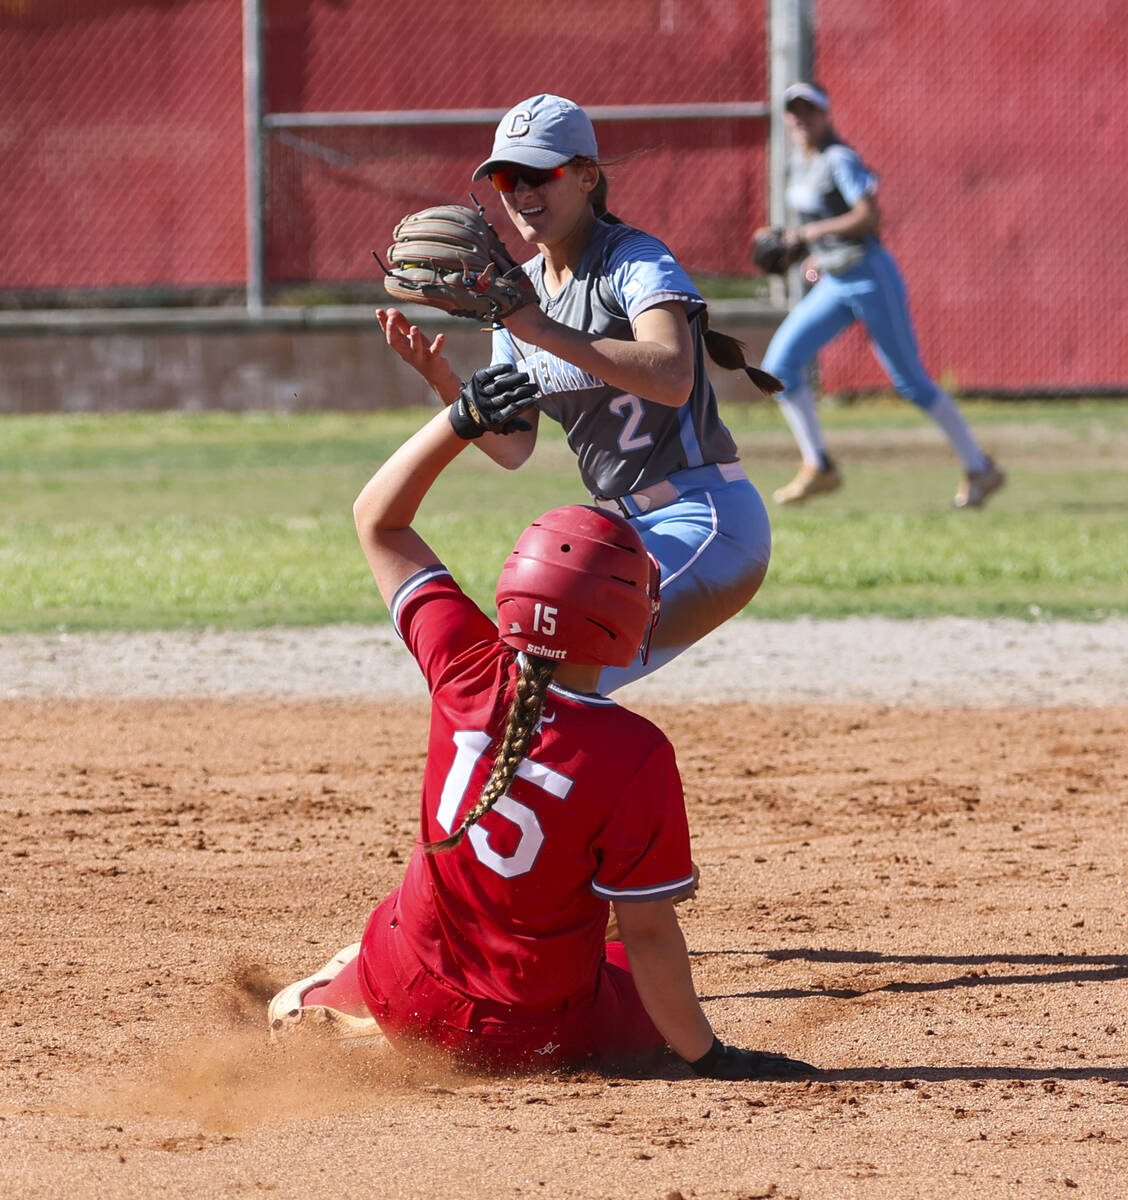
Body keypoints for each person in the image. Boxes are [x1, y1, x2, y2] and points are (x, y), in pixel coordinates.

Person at [266, 366, 817, 1082]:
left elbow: (379, 518)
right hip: (524, 1035)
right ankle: (376, 1017)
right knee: (631, 931)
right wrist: (709, 1058)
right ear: (626, 627)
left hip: (405, 982)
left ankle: (332, 1000)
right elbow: (651, 936)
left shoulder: (465, 663)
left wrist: (459, 419)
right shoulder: (635, 753)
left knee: (416, 910)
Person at [377, 92, 777, 694]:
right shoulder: (518, 294)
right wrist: (444, 383)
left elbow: (672, 376)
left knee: (550, 677)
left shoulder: (633, 260)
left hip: (706, 520)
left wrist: (536, 326)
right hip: (620, 533)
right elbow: (515, 448)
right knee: (540, 675)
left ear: (587, 176)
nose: (521, 192)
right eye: (507, 177)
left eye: (539, 172)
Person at [761, 82, 1005, 510]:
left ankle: (979, 467)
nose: (800, 118)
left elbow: (868, 217)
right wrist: (812, 254)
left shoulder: (840, 158)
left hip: (870, 275)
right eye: (793, 111)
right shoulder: (796, 165)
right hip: (835, 280)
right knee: (779, 366)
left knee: (910, 382)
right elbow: (818, 225)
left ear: (825, 114)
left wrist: (810, 234)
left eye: (809, 110)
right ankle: (818, 465)